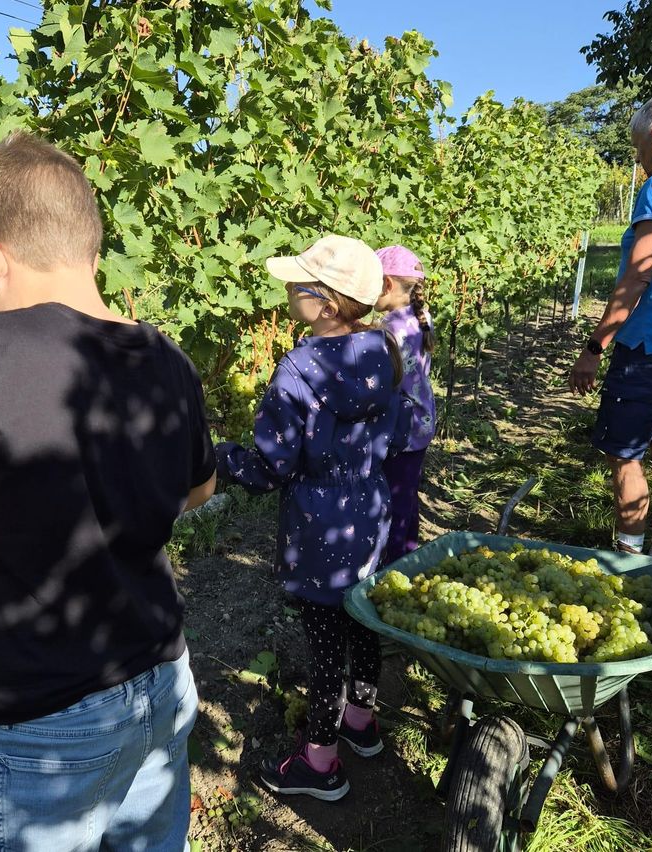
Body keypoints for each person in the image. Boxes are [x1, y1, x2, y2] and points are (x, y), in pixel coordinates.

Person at [0, 132, 216, 851]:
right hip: (161, 679)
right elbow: (199, 488)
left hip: (40, 718)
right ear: (88, 244)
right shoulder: (167, 356)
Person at [215, 234, 414, 801]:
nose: (287, 290)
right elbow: (398, 435)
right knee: (364, 625)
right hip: (371, 514)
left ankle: (320, 763)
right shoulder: (384, 351)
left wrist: (221, 459)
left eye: (297, 285)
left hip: (319, 525)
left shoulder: (299, 369)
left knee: (326, 648)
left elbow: (271, 467)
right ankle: (361, 724)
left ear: (325, 303)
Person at [569, 92, 652, 572]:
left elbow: (639, 274)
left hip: (650, 344)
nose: (640, 161)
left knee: (625, 457)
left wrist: (594, 346)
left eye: (640, 150)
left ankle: (630, 566)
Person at [374, 245, 436, 561]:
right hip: (422, 422)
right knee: (407, 495)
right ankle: (408, 554)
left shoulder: (389, 329)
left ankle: (393, 565)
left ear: (386, 284)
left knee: (394, 500)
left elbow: (383, 381)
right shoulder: (419, 316)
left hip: (402, 428)